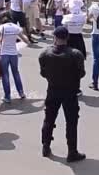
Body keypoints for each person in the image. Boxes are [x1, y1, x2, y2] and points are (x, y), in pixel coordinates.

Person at [38, 26, 86, 162]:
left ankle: (45, 146)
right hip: (70, 91)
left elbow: (43, 73)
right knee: (71, 122)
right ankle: (72, 151)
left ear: (54, 37)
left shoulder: (45, 54)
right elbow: (81, 73)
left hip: (53, 89)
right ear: (67, 38)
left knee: (49, 118)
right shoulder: (76, 54)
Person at [0, 12, 31, 103]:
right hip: (14, 54)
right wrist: (28, 42)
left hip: (4, 54)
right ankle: (21, 93)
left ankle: (7, 96)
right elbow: (25, 39)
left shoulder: (1, 28)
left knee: (5, 74)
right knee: (16, 73)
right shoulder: (16, 27)